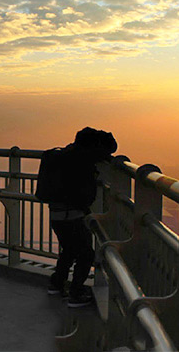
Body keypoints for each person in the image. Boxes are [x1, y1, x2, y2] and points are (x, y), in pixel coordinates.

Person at [47, 127, 116, 307]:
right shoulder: (82, 160)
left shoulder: (65, 155)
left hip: (56, 214)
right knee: (86, 254)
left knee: (69, 250)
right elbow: (111, 149)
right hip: (72, 215)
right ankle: (76, 294)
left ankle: (56, 284)